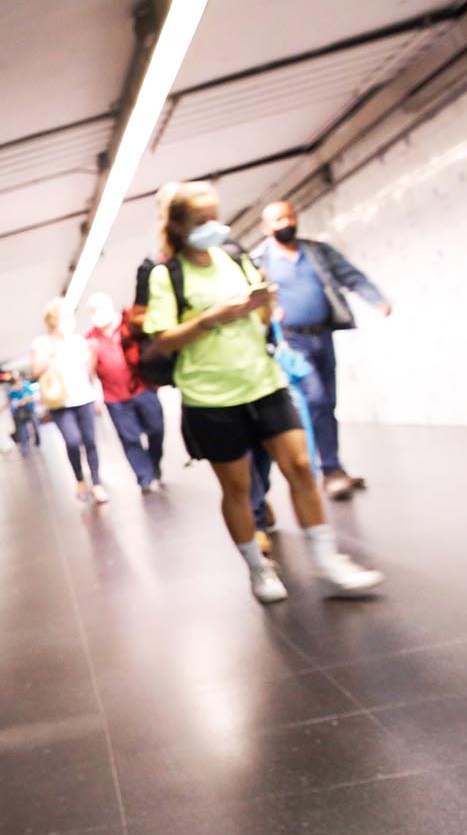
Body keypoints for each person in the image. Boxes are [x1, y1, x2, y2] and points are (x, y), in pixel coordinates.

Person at [143, 181, 383, 604]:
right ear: (179, 226)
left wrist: (265, 302)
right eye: (201, 220)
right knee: (238, 488)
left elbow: (264, 314)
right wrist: (211, 318)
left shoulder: (234, 258)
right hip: (211, 395)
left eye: (214, 216)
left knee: (301, 467)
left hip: (264, 381)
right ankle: (258, 569)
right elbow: (162, 339)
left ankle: (328, 562)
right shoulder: (166, 276)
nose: (213, 225)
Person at [252, 200, 392, 500]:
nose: (285, 223)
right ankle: (322, 471)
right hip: (292, 341)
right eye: (277, 220)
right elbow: (248, 300)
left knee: (327, 402)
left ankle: (333, 467)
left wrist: (376, 299)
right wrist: (266, 310)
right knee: (314, 399)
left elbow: (350, 275)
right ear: (265, 227)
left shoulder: (316, 251)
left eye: (289, 217)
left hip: (322, 335)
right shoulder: (259, 261)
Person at [85, 292, 165, 493]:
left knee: (156, 428)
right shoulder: (90, 339)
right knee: (129, 439)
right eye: (93, 311)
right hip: (115, 398)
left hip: (143, 388)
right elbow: (88, 373)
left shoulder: (127, 326)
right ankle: (144, 476)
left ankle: (154, 463)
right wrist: (91, 355)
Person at [32, 298, 108, 504]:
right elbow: (36, 371)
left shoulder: (77, 341)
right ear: (53, 320)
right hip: (60, 403)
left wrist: (93, 354)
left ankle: (97, 483)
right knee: (72, 441)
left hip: (84, 397)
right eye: (64, 316)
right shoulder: (42, 344)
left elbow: (89, 371)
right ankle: (79, 480)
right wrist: (52, 352)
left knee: (90, 441)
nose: (68, 320)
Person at [5, 373, 43, 457]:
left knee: (36, 426)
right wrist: (21, 402)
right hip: (20, 413)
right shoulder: (11, 392)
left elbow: (34, 396)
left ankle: (37, 442)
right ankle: (24, 449)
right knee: (23, 432)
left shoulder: (26, 386)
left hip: (30, 409)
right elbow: (12, 403)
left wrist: (26, 400)